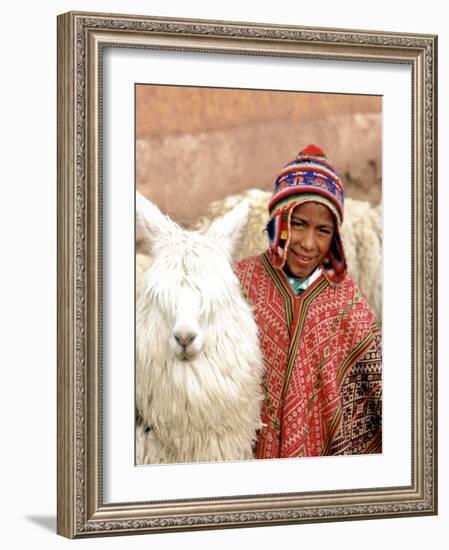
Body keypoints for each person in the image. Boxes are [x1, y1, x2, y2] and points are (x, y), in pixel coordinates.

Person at [235, 145, 382, 458]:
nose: (308, 243)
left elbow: (378, 387)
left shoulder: (347, 302)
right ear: (278, 221)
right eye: (298, 224)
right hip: (246, 456)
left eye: (323, 230)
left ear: (335, 238)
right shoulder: (241, 282)